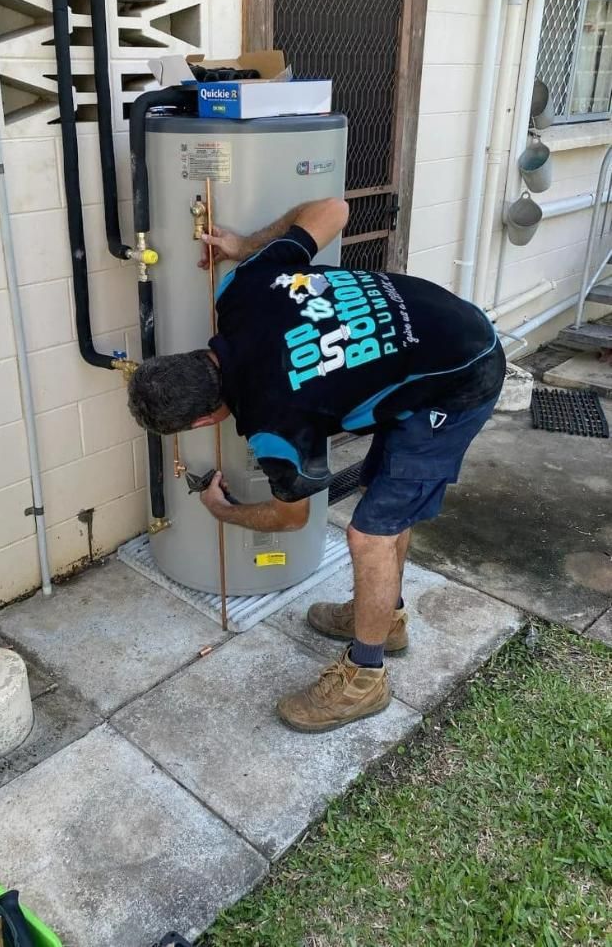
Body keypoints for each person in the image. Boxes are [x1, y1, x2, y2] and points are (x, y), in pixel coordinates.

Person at [127, 198, 506, 733]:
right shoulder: (240, 289)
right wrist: (244, 245)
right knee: (383, 499)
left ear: (200, 421)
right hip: (440, 327)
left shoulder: (273, 423)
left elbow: (292, 518)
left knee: (370, 534)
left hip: (463, 376)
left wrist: (222, 511)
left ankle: (365, 678)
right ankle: (387, 617)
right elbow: (333, 209)